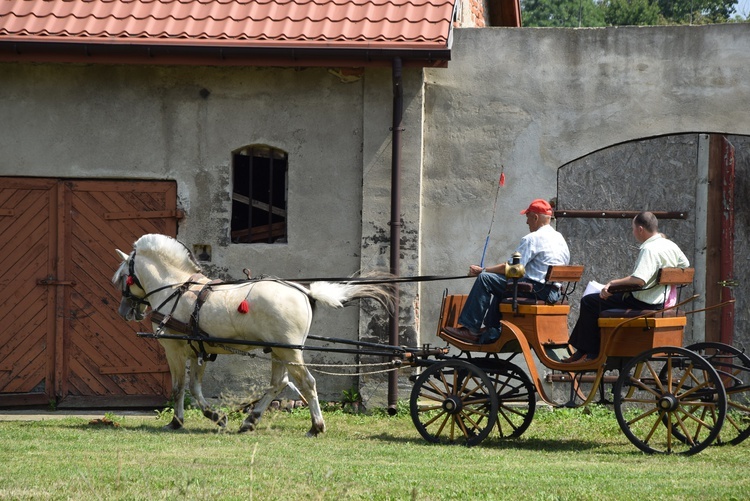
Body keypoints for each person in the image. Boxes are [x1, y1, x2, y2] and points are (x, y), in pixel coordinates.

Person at [564, 211, 689, 363]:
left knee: (589, 301)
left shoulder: (649, 249)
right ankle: (584, 350)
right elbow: (685, 266)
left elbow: (639, 281)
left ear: (641, 229)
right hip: (660, 300)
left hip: (643, 301)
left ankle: (590, 352)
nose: (633, 232)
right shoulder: (670, 245)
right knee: (598, 300)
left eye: (633, 229)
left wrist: (612, 284)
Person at [443, 198, 570, 344]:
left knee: (486, 279)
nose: (526, 222)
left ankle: (470, 329)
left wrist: (482, 270)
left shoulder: (532, 238)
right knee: (505, 285)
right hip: (554, 292)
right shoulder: (559, 238)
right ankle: (492, 328)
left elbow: (512, 269)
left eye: (528, 217)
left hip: (537, 290)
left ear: (535, 217)